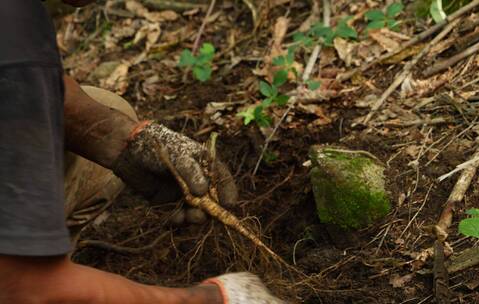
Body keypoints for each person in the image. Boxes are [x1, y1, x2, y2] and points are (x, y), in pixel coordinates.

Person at [0, 0, 284, 303]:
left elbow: (19, 88)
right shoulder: (12, 19)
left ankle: (49, 261)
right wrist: (210, 299)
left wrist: (116, 135)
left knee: (104, 123)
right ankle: (55, 274)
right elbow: (21, 287)